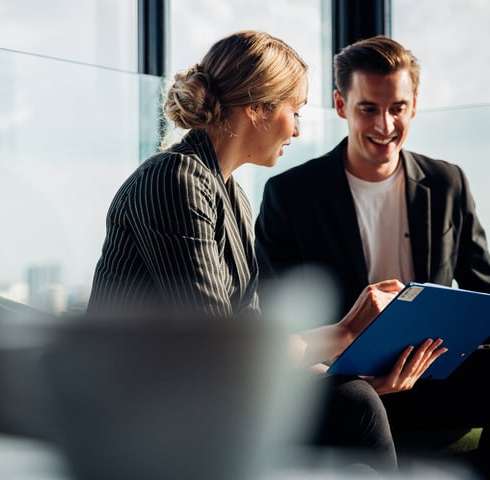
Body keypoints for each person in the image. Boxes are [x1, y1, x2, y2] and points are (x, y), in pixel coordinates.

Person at [87, 30, 447, 474]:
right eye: (293, 111)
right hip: (146, 415)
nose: (297, 129)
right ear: (256, 108)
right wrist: (346, 332)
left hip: (209, 400)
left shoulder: (230, 195)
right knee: (353, 405)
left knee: (354, 397)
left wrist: (350, 373)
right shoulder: (175, 181)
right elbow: (225, 355)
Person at [254, 34, 490, 472]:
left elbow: (483, 290)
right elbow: (276, 313)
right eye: (368, 109)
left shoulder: (448, 182)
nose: (385, 125)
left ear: (414, 104)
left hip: (435, 374)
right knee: (352, 401)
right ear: (342, 105)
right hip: (345, 385)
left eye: (397, 108)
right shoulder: (291, 195)